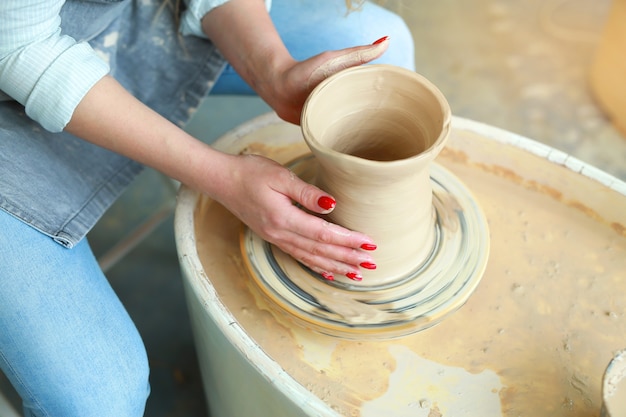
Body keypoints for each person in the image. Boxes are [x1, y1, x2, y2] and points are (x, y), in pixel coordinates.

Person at [0, 0, 414, 415]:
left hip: (116, 15)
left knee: (380, 62)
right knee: (96, 402)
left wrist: (274, 70)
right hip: (17, 58)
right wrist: (221, 177)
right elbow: (21, 50)